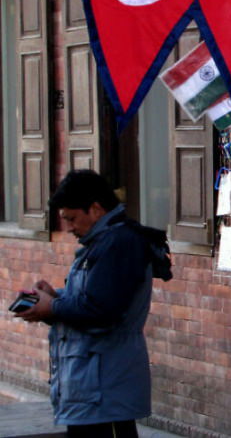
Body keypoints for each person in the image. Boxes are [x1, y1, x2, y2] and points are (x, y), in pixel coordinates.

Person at [20, 169, 159, 438]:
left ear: (95, 209)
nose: (69, 227)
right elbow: (91, 297)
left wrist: (52, 307)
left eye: (72, 219)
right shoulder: (100, 243)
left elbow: (102, 310)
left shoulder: (120, 244)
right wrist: (56, 297)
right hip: (89, 385)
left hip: (106, 386)